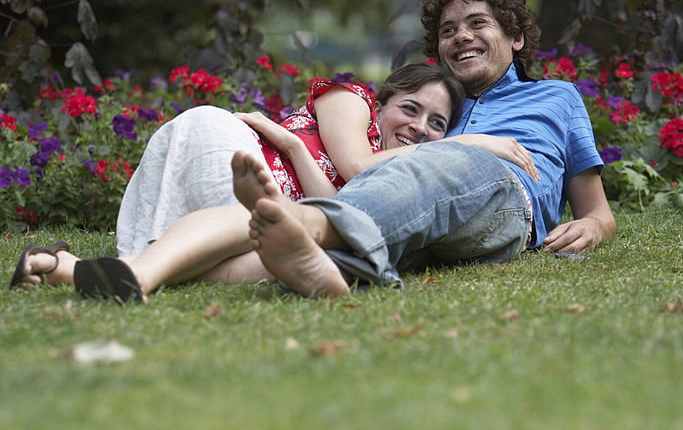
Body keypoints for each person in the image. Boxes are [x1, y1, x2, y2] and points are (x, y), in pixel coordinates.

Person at [9, 59, 537, 298]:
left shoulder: (395, 166)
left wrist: (290, 148)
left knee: (306, 238)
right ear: (384, 100)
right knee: (272, 220)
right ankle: (137, 269)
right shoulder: (349, 100)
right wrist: (468, 141)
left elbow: (339, 204)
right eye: (411, 108)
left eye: (437, 125)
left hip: (277, 203)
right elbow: (352, 167)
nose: (420, 129)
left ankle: (98, 273)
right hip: (228, 147)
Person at [236, 0, 617, 297]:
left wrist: (594, 226)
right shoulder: (437, 109)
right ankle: (235, 263)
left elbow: (597, 210)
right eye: (448, 30)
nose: (461, 36)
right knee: (391, 209)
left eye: (478, 23)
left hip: (506, 199)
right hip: (420, 215)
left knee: (447, 162)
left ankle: (306, 223)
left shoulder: (557, 98)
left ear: (515, 38)